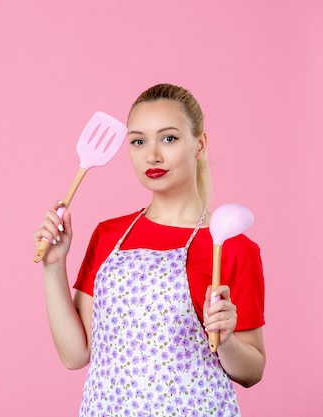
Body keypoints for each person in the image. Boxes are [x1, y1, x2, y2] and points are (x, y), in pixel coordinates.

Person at [33, 83, 265, 416]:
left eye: (169, 138)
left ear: (199, 145)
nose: (152, 155)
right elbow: (76, 355)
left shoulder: (229, 245)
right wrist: (54, 266)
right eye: (138, 141)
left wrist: (226, 341)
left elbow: (253, 371)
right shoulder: (109, 235)